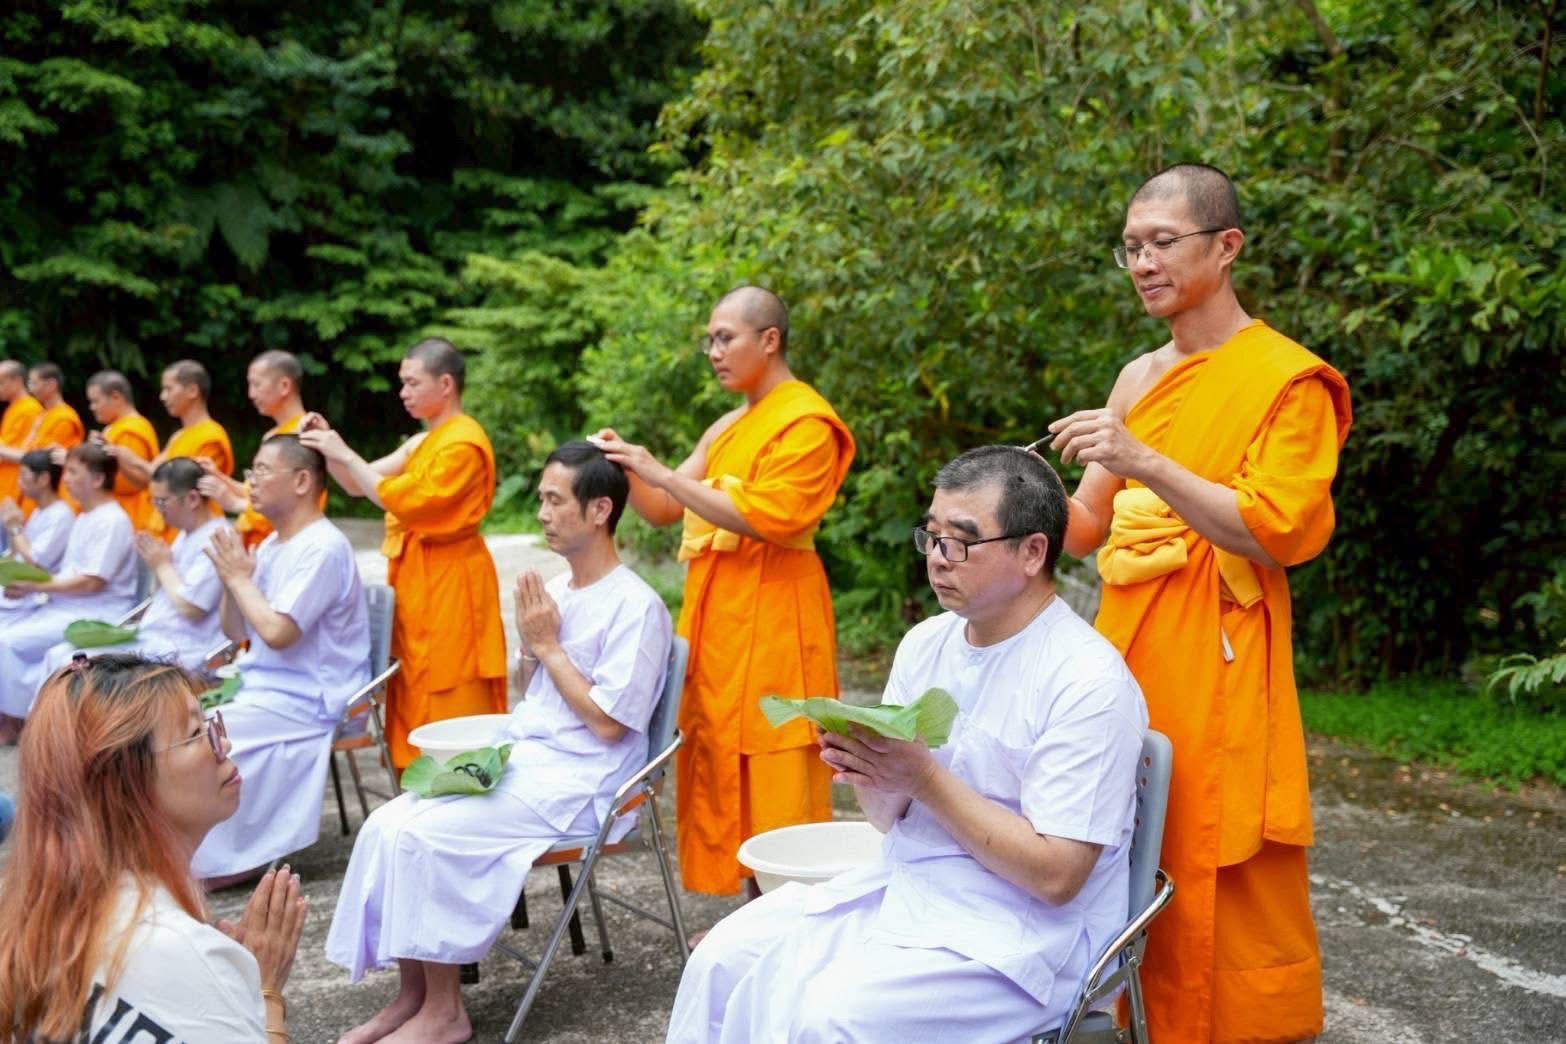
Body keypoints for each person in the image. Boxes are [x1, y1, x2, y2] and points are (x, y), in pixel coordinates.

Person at [666, 446, 1147, 1041]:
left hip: (1025, 938)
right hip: (910, 884)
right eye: (933, 537)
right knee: (721, 960)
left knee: (829, 1017)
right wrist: (868, 764)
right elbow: (887, 820)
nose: (939, 558)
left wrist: (923, 778)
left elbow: (1057, 877)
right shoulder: (927, 644)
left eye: (962, 542)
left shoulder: (1087, 681)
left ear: (1032, 551)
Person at [1046, 163, 1352, 1043]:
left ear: (1226, 247)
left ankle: (1242, 1023)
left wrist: (1142, 459)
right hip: (1125, 644)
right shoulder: (1138, 375)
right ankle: (1134, 1007)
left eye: (1162, 243)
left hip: (1222, 647)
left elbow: (1272, 530)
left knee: (1213, 834)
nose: (1143, 263)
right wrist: (1004, 504)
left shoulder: (1286, 379)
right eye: (1130, 248)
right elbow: (1084, 528)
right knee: (1122, 822)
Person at [327, 440, 672, 1044]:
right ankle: (411, 996)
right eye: (541, 498)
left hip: (584, 780)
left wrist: (547, 645)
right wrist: (534, 646)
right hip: (530, 760)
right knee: (387, 823)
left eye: (554, 500)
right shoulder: (560, 590)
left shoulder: (637, 606)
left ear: (599, 510)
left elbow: (609, 725)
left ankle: (445, 1013)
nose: (541, 513)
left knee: (427, 836)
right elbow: (532, 694)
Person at [593, 286, 856, 896]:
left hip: (778, 613)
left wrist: (660, 472)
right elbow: (664, 507)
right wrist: (627, 466)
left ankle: (788, 914)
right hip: (719, 619)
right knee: (718, 755)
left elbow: (772, 516)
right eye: (709, 340)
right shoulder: (728, 425)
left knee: (775, 757)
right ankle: (747, 914)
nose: (713, 352)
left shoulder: (807, 422)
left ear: (769, 340)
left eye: (725, 338)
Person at [0, 653, 307, 1040]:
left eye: (210, 725)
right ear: (124, 781)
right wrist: (264, 993)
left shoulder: (35, 917)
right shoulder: (175, 951)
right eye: (195, 734)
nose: (224, 743)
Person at [299, 337, 506, 770]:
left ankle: (456, 773)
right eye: (403, 383)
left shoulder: (463, 444)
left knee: (451, 679)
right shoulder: (423, 442)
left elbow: (407, 502)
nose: (403, 393)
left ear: (445, 384)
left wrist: (343, 453)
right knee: (413, 673)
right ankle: (415, 772)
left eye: (413, 383)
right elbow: (360, 483)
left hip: (453, 581)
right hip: (417, 578)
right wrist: (328, 446)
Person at [190, 435, 370, 882]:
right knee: (181, 733)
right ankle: (194, 854)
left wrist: (239, 580)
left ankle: (219, 864)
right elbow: (236, 633)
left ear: (302, 481)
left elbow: (278, 633)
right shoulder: (272, 544)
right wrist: (231, 581)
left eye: (263, 470)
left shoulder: (322, 547)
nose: (251, 482)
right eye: (251, 471)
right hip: (266, 690)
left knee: (199, 742)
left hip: (310, 699)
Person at [40, 457, 231, 674]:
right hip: (153, 635)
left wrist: (162, 566)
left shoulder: (217, 538)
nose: (158, 510)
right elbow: (162, 593)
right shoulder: (185, 535)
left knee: (71, 665)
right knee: (58, 655)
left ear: (192, 499)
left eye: (162, 502)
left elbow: (191, 608)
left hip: (182, 646)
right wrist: (158, 565)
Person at [0, 443, 136, 744]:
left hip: (96, 613)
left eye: (74, 472)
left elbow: (92, 582)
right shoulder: (86, 516)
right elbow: (69, 574)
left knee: (7, 641)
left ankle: (14, 721)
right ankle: (16, 714)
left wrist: (35, 586)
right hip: (65, 605)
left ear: (98, 478)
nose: (66, 478)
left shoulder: (112, 520)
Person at [201, 350, 315, 549]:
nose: (251, 394)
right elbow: (253, 491)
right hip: (259, 546)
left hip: (288, 541)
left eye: (257, 384)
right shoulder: (271, 436)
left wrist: (235, 504)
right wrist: (218, 477)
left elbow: (290, 502)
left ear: (284, 386)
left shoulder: (307, 433)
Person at [118, 359, 235, 539]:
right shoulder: (178, 436)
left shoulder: (211, 436)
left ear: (192, 391)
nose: (163, 397)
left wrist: (131, 458)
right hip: (169, 525)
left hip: (197, 529)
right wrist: (119, 457)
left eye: (169, 389)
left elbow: (185, 484)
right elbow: (152, 476)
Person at [85, 368, 161, 532]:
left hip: (130, 515)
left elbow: (136, 483)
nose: (92, 407)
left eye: (96, 401)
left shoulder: (132, 429)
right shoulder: (115, 427)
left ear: (116, 397)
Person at [15, 361, 85, 512]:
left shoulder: (64, 418)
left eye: (34, 383)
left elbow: (43, 461)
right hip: (33, 493)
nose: (30, 389)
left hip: (51, 496)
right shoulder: (43, 415)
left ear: (51, 385)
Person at [0, 449, 76, 587]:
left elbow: (35, 563)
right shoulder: (39, 511)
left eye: (23, 476)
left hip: (37, 590)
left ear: (43, 479)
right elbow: (16, 554)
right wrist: (11, 525)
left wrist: (15, 528)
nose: (19, 482)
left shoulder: (60, 516)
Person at [0, 359, 43, 510]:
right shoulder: (13, 408)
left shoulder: (30, 409)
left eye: (1, 382)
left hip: (15, 487)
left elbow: (25, 452)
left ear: (17, 381)